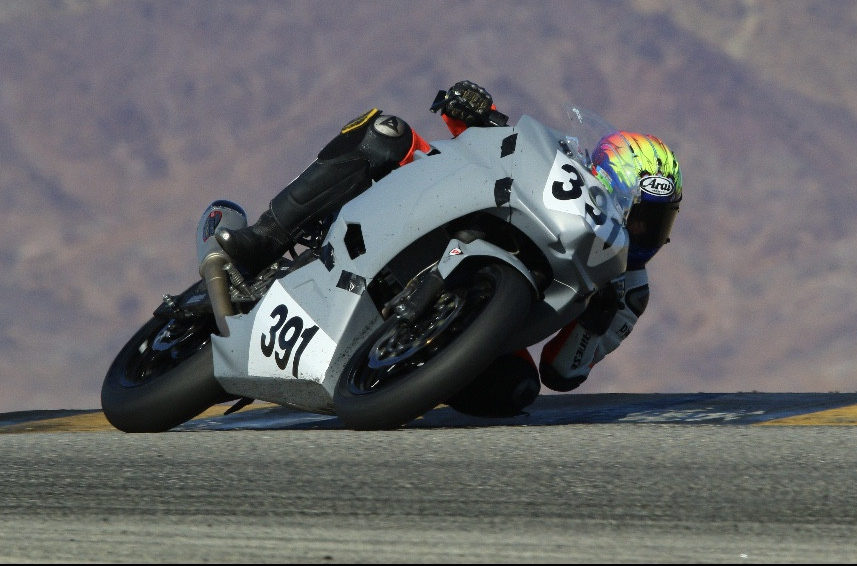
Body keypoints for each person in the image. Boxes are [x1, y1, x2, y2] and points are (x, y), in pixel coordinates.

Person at [216, 80, 682, 405]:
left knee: (515, 391)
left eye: (654, 224)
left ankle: (404, 376)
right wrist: (471, 112)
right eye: (636, 217)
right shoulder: (562, 168)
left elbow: (562, 374)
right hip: (443, 215)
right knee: (387, 134)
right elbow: (490, 150)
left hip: (499, 320)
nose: (642, 233)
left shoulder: (630, 293)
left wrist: (593, 326)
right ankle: (266, 238)